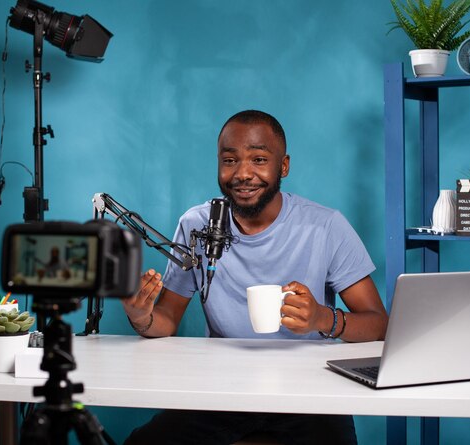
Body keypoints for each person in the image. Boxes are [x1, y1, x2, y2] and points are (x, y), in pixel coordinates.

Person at [122, 110, 388, 445]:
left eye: (259, 159)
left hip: (309, 393)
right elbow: (167, 320)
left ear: (284, 166)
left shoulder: (326, 226)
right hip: (221, 389)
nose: (243, 174)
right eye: (229, 160)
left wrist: (322, 317)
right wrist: (141, 316)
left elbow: (379, 324)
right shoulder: (197, 225)